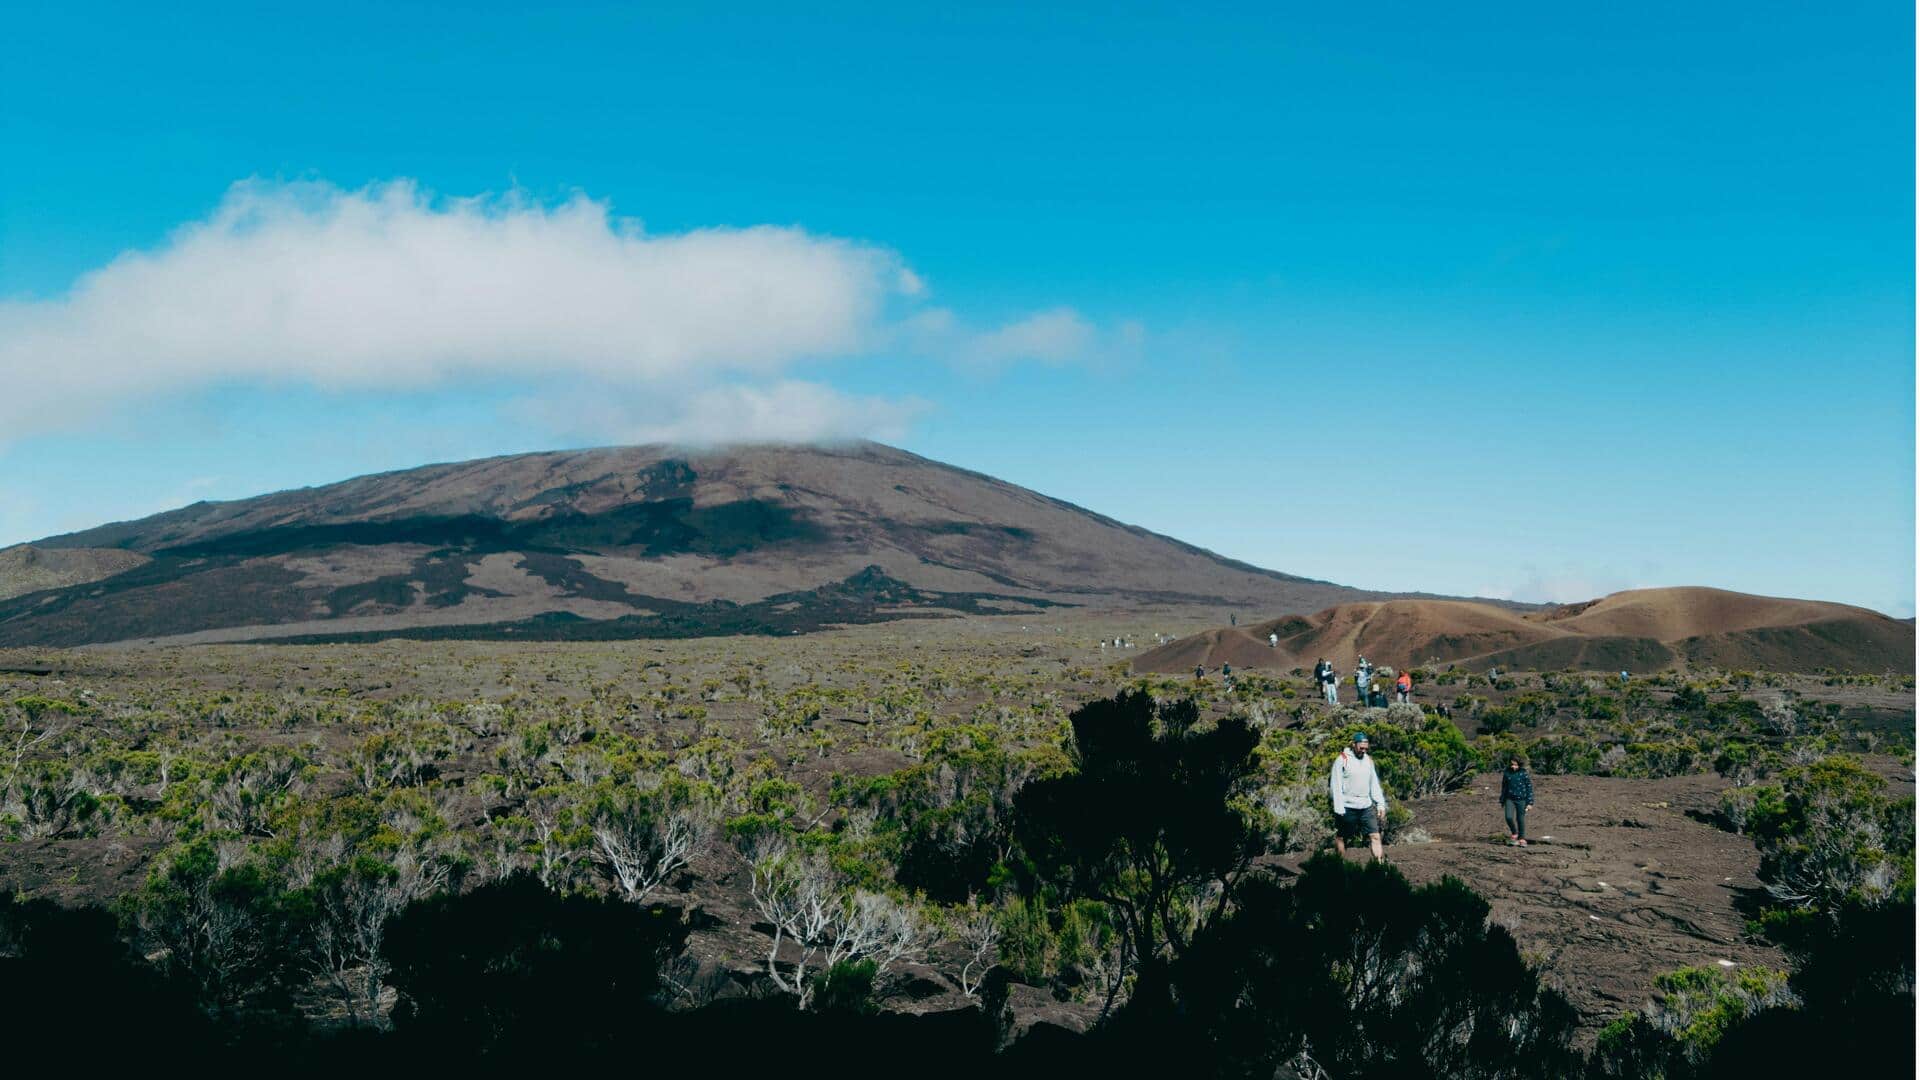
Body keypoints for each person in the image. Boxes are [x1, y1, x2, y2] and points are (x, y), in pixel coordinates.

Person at [1329, 732, 1388, 862]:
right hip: (1347, 806)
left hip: (1366, 806)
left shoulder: (1368, 760)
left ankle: (1379, 867)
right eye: (1361, 748)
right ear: (1353, 745)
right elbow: (1336, 785)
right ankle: (1340, 865)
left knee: (1375, 836)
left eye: (1366, 748)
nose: (1363, 750)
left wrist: (1380, 804)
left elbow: (1374, 784)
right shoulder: (1342, 759)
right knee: (1342, 837)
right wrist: (1339, 808)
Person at [1500, 756, 1535, 846]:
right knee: (1509, 817)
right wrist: (1502, 799)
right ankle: (1514, 833)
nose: (1513, 766)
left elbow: (1529, 788)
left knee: (1520, 819)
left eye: (1515, 765)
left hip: (1521, 799)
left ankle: (1522, 838)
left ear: (1519, 764)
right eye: (1512, 764)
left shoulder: (1523, 773)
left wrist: (1530, 803)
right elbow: (1504, 787)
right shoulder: (1507, 773)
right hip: (1509, 799)